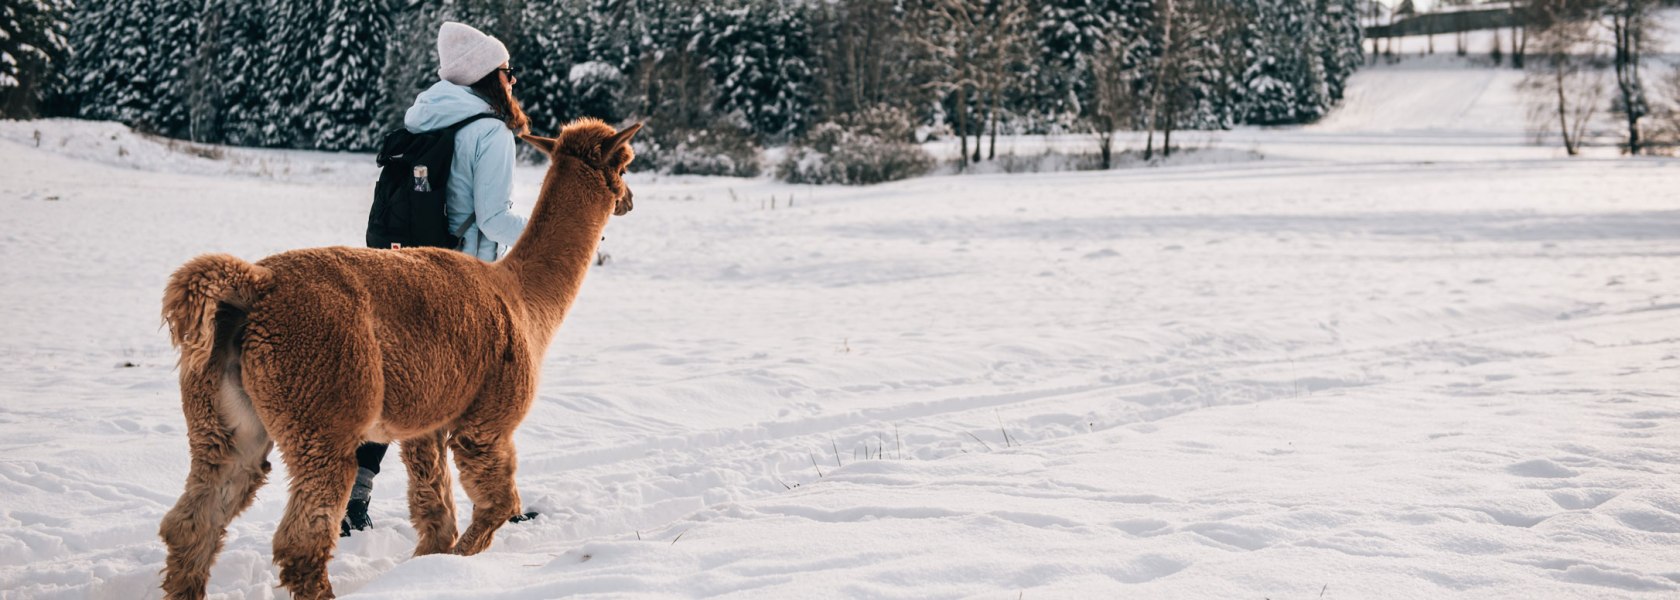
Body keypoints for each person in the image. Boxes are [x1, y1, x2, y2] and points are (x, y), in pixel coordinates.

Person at [343, 20, 534, 536]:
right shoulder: (489, 131)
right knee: (487, 395)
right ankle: (497, 502)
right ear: (490, 77)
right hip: (462, 283)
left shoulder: (425, 119)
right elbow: (493, 219)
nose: (513, 81)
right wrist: (546, 231)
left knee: (391, 386)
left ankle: (352, 498)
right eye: (507, 71)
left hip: (401, 270)